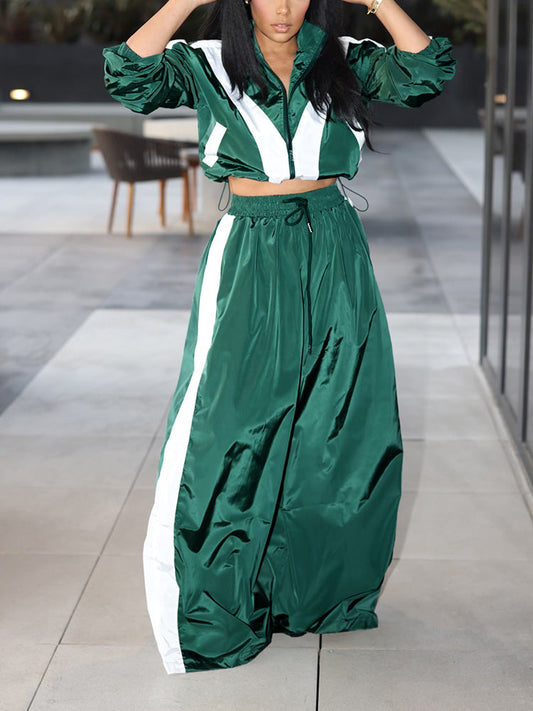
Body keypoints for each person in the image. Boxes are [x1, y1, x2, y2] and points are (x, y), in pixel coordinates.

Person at [102, 0, 456, 674]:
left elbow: (425, 72)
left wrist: (381, 2)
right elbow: (129, 75)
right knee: (230, 425)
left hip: (335, 246)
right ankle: (213, 606)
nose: (283, 7)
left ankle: (316, 594)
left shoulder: (343, 58)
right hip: (252, 249)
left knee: (338, 425)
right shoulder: (207, 64)